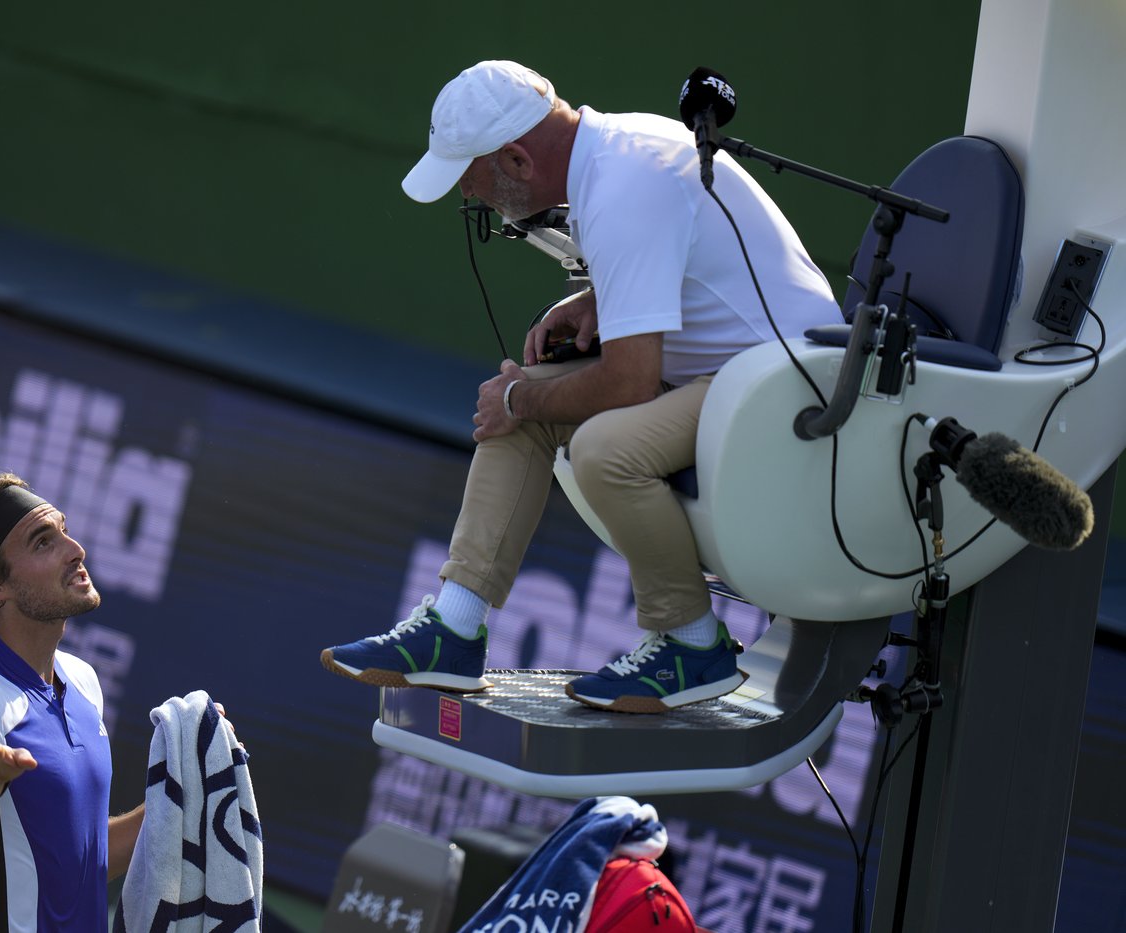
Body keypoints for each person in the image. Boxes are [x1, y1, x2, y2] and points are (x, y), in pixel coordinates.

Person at [321, 60, 839, 713]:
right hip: (739, 374)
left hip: (784, 385)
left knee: (600, 445)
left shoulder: (622, 185)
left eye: (470, 180)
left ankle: (692, 644)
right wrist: (601, 299)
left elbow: (628, 384)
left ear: (515, 160)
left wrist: (518, 398)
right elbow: (685, 260)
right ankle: (452, 628)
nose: (471, 198)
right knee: (527, 404)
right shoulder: (616, 151)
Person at [0, 472, 142, 931]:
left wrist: (182, 793)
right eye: (42, 542)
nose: (76, 551)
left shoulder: (83, 682)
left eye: (65, 532)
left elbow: (80, 863)